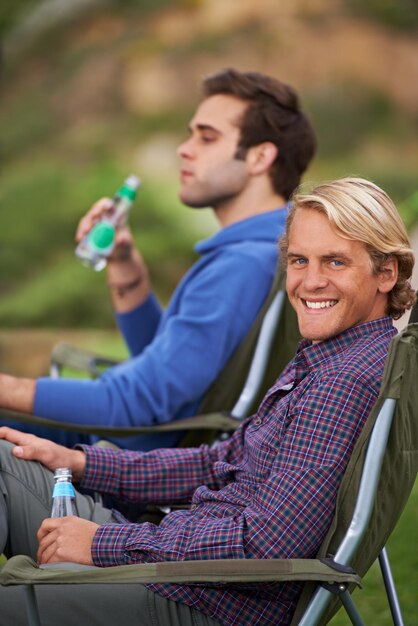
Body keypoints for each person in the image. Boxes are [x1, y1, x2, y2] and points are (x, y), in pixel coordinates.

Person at [0, 177, 415, 626]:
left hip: (199, 599)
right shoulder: (331, 356)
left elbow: (266, 545)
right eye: (299, 260)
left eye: (335, 261)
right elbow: (218, 460)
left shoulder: (342, 382)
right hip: (178, 567)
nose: (311, 282)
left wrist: (101, 543)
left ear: (386, 272)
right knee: (8, 461)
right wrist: (81, 464)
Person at [0, 68, 317, 451]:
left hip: (125, 469)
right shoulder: (269, 248)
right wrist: (125, 266)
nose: (185, 149)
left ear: (259, 157)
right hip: (138, 445)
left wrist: (10, 387)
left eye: (206, 137)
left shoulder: (242, 265)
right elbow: (170, 370)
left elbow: (139, 402)